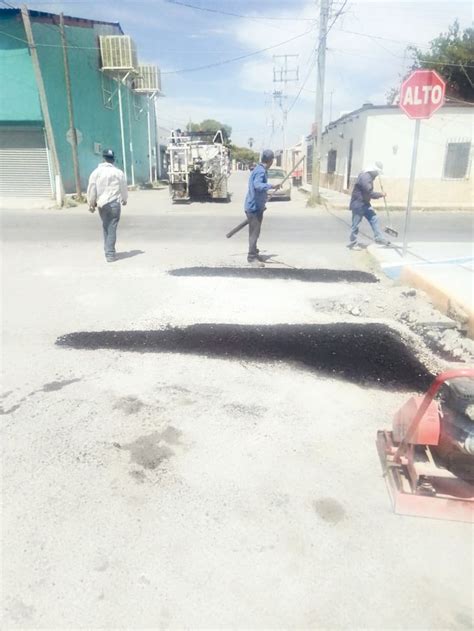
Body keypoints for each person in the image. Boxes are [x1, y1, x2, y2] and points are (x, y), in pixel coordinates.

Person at [87, 149, 128, 262]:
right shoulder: (118, 172)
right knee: (111, 227)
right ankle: (110, 253)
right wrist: (124, 199)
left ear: (103, 159)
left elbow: (92, 189)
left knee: (106, 226)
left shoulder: (96, 172)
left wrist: (91, 203)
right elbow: (123, 187)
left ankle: (108, 251)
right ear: (113, 160)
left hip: (101, 204)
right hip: (114, 203)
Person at [244, 149, 280, 267]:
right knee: (254, 233)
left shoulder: (259, 169)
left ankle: (254, 252)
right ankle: (251, 257)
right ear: (270, 161)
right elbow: (258, 186)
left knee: (256, 232)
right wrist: (271, 185)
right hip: (253, 208)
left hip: (256, 206)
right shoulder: (260, 171)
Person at [348, 163, 389, 250]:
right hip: (358, 204)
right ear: (373, 171)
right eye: (377, 173)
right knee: (355, 225)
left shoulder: (369, 177)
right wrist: (381, 194)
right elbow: (369, 193)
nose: (378, 175)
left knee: (374, 218)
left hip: (365, 203)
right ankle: (353, 243)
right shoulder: (365, 178)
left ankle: (379, 238)